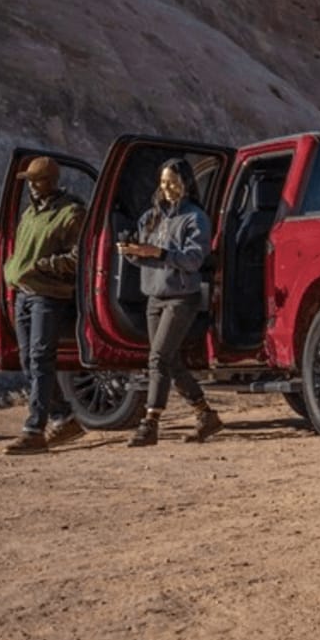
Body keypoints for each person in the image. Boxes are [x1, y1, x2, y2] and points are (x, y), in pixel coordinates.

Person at [117, 158, 224, 446]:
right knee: (170, 361)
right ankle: (206, 414)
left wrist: (160, 253)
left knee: (158, 358)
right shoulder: (149, 217)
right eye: (163, 183)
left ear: (186, 184)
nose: (167, 188)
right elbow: (142, 256)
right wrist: (130, 250)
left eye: (173, 183)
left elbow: (194, 259)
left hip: (181, 298)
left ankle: (149, 423)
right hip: (154, 296)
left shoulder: (195, 218)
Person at [3, 155, 87, 454]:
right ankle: (64, 418)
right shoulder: (31, 213)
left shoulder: (71, 213)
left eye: (34, 181)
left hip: (49, 296)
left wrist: (44, 266)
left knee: (40, 360)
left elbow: (80, 256)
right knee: (28, 361)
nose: (31, 186)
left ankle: (34, 429)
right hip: (23, 294)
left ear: (48, 182)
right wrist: (11, 268)